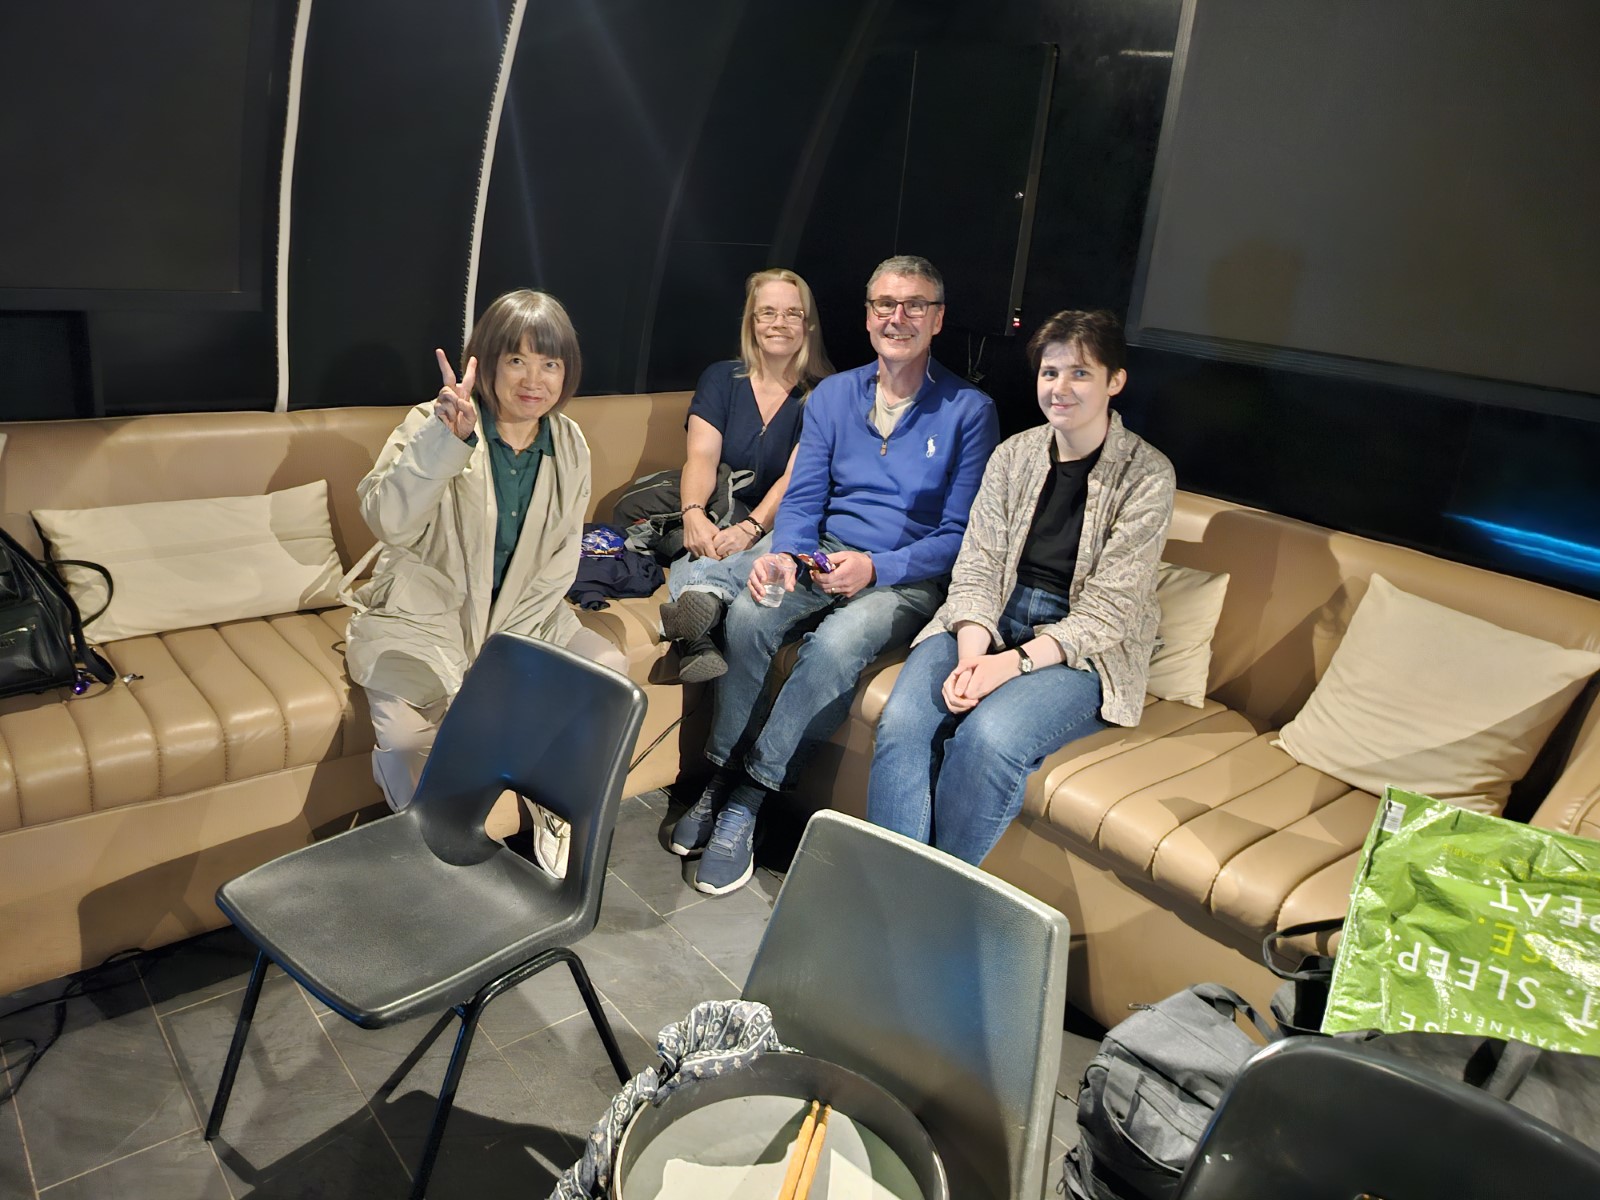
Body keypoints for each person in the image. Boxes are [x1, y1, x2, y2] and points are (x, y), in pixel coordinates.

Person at [669, 255, 1000, 895]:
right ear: (867, 316)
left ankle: (751, 796)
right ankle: (719, 773)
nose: (897, 318)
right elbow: (803, 498)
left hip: (906, 576)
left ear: (937, 319)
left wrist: (877, 567)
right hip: (823, 549)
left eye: (914, 305)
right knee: (751, 614)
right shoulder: (834, 395)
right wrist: (785, 555)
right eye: (884, 305)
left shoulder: (969, 409)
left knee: (837, 645)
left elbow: (961, 536)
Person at [865, 310, 1175, 866]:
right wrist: (971, 656)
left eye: (1080, 373)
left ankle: (930, 898)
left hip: (1084, 650)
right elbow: (978, 565)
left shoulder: (1147, 475)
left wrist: (1008, 666)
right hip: (990, 616)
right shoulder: (1014, 454)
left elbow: (1110, 612)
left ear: (1115, 381)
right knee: (905, 720)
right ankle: (891, 889)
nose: (1060, 387)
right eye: (1049, 372)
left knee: (988, 739)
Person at [344, 289, 626, 875]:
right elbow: (387, 521)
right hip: (425, 618)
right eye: (517, 360)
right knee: (404, 739)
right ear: (488, 361)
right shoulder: (437, 422)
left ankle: (553, 800)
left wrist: (500, 654)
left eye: (550, 364)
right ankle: (427, 844)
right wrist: (444, 443)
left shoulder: (569, 443)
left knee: (607, 673)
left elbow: (560, 561)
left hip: (527, 618)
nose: (534, 380)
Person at [657, 268, 832, 682]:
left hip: (780, 516)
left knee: (771, 549)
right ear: (751, 322)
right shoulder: (721, 378)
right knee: (699, 537)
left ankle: (697, 612)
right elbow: (701, 456)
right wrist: (693, 513)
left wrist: (751, 529)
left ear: (808, 325)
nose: (779, 323)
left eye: (792, 313)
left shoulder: (825, 393)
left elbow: (795, 478)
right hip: (721, 503)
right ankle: (700, 633)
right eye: (767, 312)